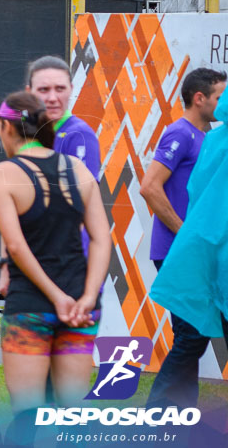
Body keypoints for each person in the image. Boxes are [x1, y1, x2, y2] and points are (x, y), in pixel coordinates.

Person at [0, 91, 110, 417]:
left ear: (6, 127)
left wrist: (56, 298)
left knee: (28, 416)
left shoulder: (3, 173)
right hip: (80, 307)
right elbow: (101, 239)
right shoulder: (78, 170)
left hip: (31, 307)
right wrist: (85, 297)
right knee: (71, 414)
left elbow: (15, 246)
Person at [141, 68, 226, 408]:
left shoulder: (212, 137)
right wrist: (186, 233)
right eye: (220, 96)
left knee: (194, 335)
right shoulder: (180, 133)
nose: (225, 103)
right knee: (192, 335)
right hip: (180, 252)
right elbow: (149, 186)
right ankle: (158, 413)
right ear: (200, 98)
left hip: (199, 254)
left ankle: (179, 414)